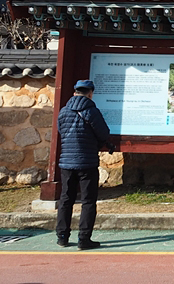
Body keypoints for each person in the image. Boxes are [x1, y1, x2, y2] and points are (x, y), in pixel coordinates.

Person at [56, 79, 112, 250]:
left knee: (66, 199)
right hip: (87, 162)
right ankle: (84, 239)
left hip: (66, 162)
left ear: (74, 92)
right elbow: (103, 133)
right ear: (90, 94)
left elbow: (61, 131)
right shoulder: (92, 111)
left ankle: (62, 237)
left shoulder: (63, 111)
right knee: (88, 201)